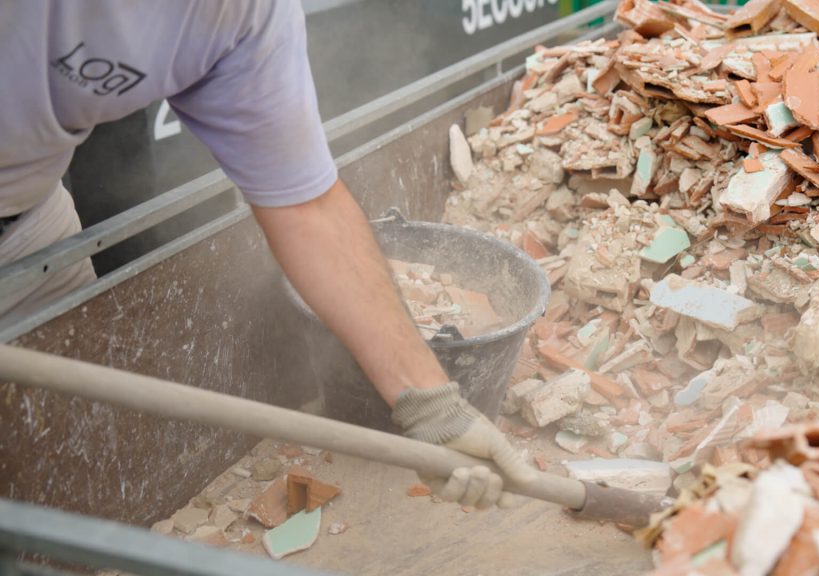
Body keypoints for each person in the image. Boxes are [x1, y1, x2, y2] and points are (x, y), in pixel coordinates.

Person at [0, 0, 534, 510]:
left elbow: (309, 210)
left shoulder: (243, 12)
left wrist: (434, 406)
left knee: (55, 466)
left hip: (28, 228)